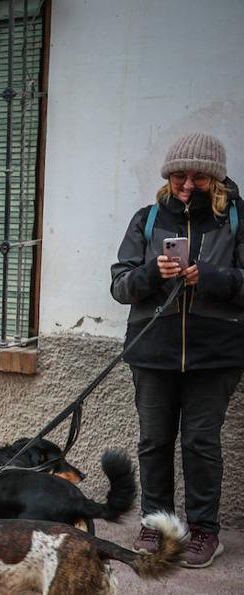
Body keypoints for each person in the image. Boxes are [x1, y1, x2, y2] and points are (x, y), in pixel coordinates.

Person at [111, 132, 244, 568]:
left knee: (201, 443)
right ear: (169, 176)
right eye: (179, 175)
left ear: (217, 179)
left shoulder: (236, 221)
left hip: (216, 353)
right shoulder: (146, 219)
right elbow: (120, 286)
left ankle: (204, 530)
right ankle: (158, 522)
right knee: (153, 441)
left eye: (199, 177)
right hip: (153, 350)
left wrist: (209, 276)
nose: (188, 184)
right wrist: (154, 272)